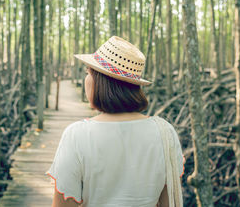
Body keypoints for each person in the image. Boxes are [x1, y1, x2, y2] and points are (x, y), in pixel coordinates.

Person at [46, 36, 184, 207]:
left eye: (88, 73)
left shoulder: (77, 134)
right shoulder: (165, 132)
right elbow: (169, 201)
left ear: (101, 81)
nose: (86, 79)